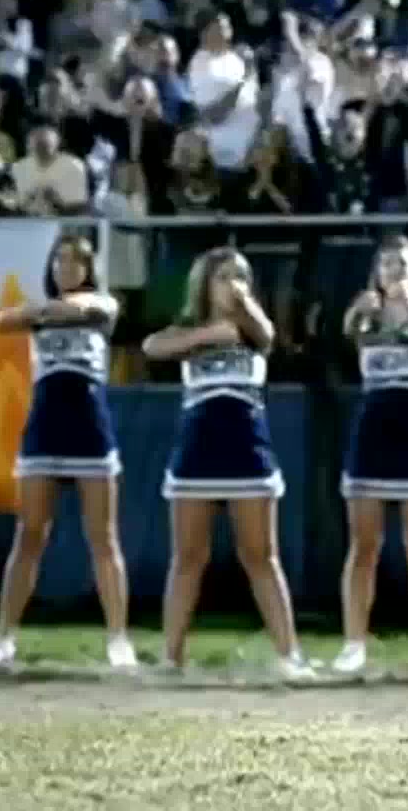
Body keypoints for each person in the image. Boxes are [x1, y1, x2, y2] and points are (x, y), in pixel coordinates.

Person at [140, 247, 312, 679]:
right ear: (203, 285)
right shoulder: (189, 329)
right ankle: (171, 659)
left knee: (261, 556)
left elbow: (267, 334)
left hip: (248, 449)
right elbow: (152, 346)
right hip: (197, 451)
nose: (233, 285)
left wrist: (242, 308)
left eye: (241, 277)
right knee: (188, 557)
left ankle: (289, 656)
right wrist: (205, 335)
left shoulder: (253, 330)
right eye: (223, 277)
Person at [0, 234, 136, 671]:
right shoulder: (42, 310)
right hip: (44, 428)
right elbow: (1, 322)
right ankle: (2, 637)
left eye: (76, 261)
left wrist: (42, 313)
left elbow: (90, 311)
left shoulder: (103, 303)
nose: (66, 268)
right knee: (29, 535)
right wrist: (42, 312)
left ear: (89, 268)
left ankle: (118, 639)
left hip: (90, 428)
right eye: (60, 260)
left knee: (103, 538)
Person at [333, 236, 408, 678]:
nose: (394, 272)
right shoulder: (368, 317)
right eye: (386, 265)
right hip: (372, 432)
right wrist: (357, 312)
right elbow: (345, 334)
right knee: (364, 546)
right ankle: (353, 645)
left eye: (402, 265)